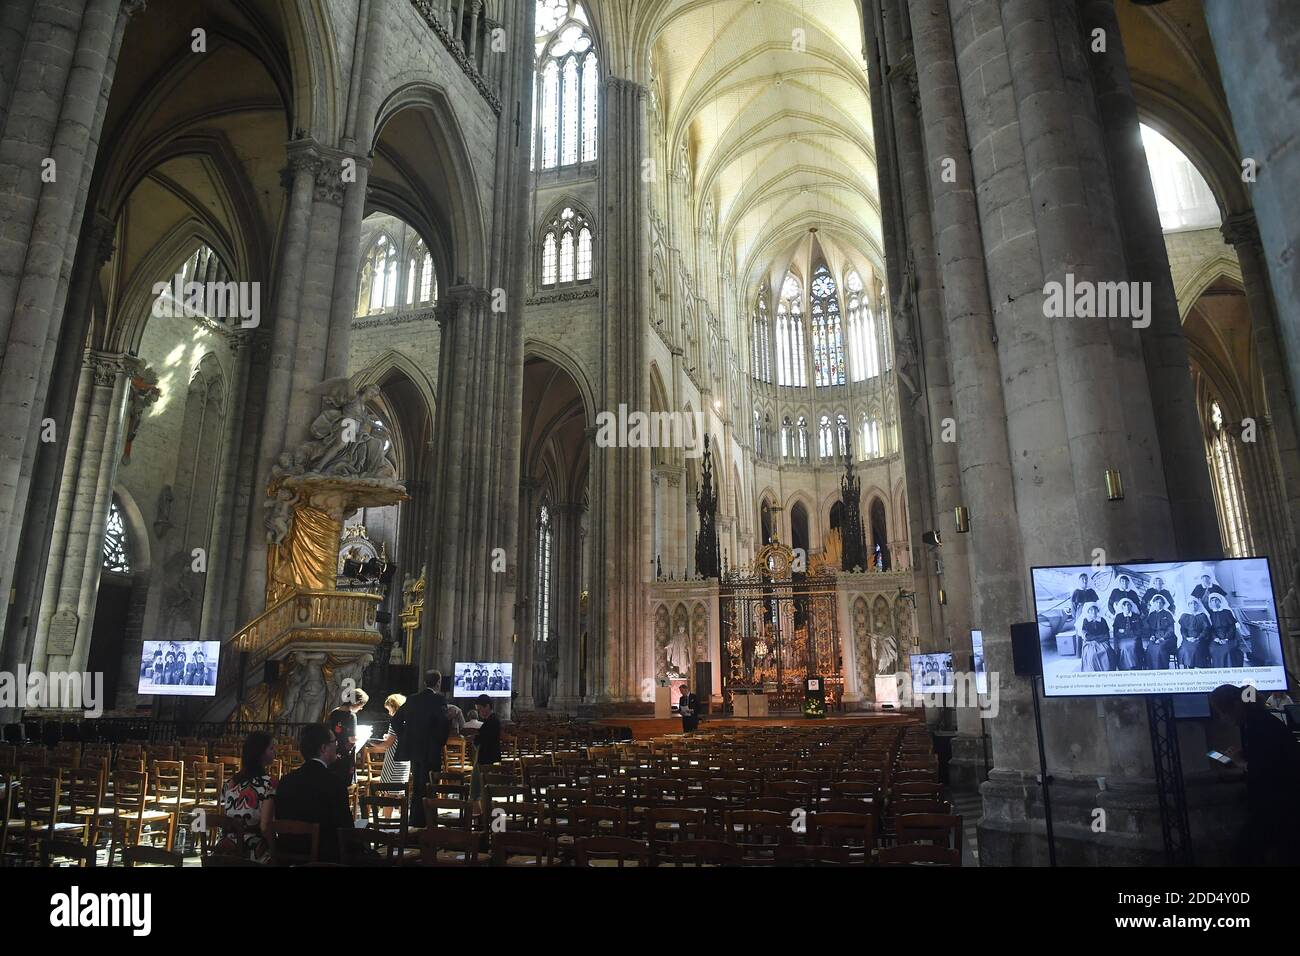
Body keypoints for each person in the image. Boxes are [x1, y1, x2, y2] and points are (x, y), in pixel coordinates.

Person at [1209, 683, 1300, 865]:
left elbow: (1265, 768)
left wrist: (1239, 762)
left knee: (1246, 853)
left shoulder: (1258, 725)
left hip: (1280, 803)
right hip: (1282, 802)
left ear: (1236, 705)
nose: (1224, 719)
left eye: (1224, 712)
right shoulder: (1260, 721)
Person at [272, 723, 352, 863]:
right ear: (323, 748)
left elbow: (280, 818)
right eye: (334, 742)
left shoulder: (285, 781)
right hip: (325, 857)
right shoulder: (334, 783)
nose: (337, 746)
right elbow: (345, 829)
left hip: (288, 853)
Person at [389, 669, 449, 827]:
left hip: (414, 750)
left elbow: (395, 721)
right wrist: (442, 738)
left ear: (424, 682)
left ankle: (415, 821)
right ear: (438, 683)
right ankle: (429, 821)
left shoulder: (412, 699)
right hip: (431, 750)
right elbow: (442, 724)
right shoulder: (439, 700)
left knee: (416, 786)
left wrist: (406, 737)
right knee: (430, 786)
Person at [219, 730, 278, 862]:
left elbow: (225, 818)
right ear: (261, 753)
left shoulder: (231, 782)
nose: (275, 752)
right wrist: (276, 851)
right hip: (251, 852)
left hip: (225, 850)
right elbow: (264, 827)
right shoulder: (269, 783)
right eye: (271, 748)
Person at [361, 694, 411, 820]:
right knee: (400, 792)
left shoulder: (395, 722)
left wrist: (372, 742)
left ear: (395, 707)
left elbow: (388, 744)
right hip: (404, 761)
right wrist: (387, 738)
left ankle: (387, 822)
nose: (389, 713)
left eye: (389, 709)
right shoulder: (408, 722)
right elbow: (396, 739)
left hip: (394, 761)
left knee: (388, 793)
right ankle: (401, 822)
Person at [326, 687, 369, 787]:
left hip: (331, 751)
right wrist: (363, 736)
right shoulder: (351, 715)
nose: (361, 708)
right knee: (343, 783)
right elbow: (351, 738)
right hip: (344, 754)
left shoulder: (333, 712)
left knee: (331, 781)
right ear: (356, 702)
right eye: (361, 705)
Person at [470, 694, 501, 819]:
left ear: (487, 706)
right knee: (478, 791)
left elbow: (486, 739)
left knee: (479, 791)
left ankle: (480, 818)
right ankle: (481, 818)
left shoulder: (493, 721)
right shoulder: (489, 721)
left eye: (480, 709)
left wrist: (475, 738)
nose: (479, 712)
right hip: (484, 758)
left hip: (486, 760)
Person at [1207, 595, 1244, 667]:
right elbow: (1210, 629)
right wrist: (1216, 638)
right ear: (1210, 603)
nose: (1214, 602)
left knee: (1228, 650)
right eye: (1212, 601)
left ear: (1220, 602)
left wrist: (1226, 638)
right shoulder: (1209, 614)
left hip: (1229, 638)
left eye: (1216, 600)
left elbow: (1232, 627)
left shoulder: (1227, 612)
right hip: (1215, 639)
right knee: (1214, 649)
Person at [1178, 596, 1212, 669]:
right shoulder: (1184, 616)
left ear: (1198, 605)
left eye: (1195, 604)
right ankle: (1190, 668)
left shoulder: (1202, 616)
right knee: (1185, 649)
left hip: (1200, 639)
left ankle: (1199, 667)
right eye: (1191, 604)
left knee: (1195, 648)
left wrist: (1198, 638)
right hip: (1188, 639)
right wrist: (1187, 638)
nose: (1193, 605)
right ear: (1188, 605)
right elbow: (1183, 630)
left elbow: (1206, 630)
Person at [1113, 598, 1146, 671]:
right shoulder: (1118, 617)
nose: (1127, 607)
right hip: (1122, 639)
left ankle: (1133, 666)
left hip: (1134, 639)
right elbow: (1116, 632)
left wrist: (1126, 632)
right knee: (1124, 646)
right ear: (1122, 607)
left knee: (1133, 645)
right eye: (1125, 606)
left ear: (1131, 607)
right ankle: (1125, 667)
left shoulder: (1136, 616)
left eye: (1129, 605)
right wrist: (1123, 634)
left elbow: (1139, 631)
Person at [1144, 594, 1176, 670]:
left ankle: (1163, 669)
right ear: (1153, 604)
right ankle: (1152, 670)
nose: (1158, 604)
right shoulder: (1151, 615)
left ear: (1163, 604)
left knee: (1160, 648)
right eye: (1156, 602)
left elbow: (1171, 630)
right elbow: (1150, 629)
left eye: (1160, 603)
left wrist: (1163, 638)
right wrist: (1152, 636)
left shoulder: (1167, 614)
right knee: (1150, 648)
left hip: (1168, 638)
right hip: (1156, 637)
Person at [1079, 605, 1113, 672]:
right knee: (1092, 655)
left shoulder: (1102, 620)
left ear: (1097, 611)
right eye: (1091, 610)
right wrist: (1096, 638)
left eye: (1095, 610)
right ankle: (1093, 670)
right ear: (1088, 611)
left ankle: (1106, 670)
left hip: (1102, 641)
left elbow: (1106, 634)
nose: (1093, 612)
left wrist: (1098, 639)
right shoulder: (1086, 620)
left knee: (1106, 650)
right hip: (1090, 643)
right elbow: (1086, 636)